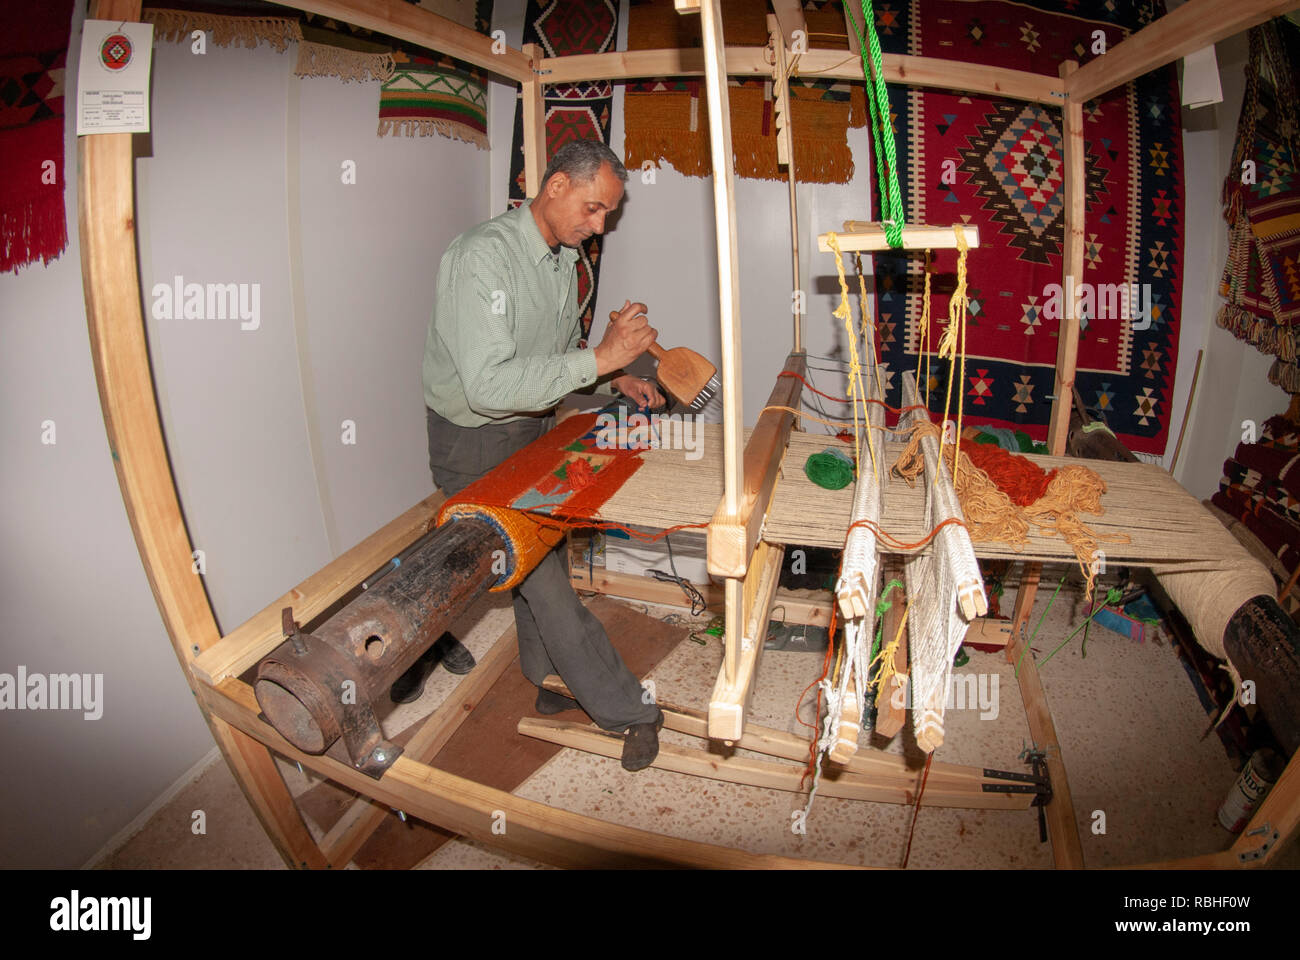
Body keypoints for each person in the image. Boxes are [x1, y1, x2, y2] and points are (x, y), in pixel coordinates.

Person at [412, 139, 667, 771]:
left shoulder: (559, 259)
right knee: (550, 587)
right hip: (472, 443)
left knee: (536, 556)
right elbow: (488, 387)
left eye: (607, 212)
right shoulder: (481, 259)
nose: (599, 223)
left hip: (529, 430)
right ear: (554, 187)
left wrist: (612, 378)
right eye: (593, 207)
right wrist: (602, 357)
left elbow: (548, 365)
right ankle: (630, 710)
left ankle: (547, 679)